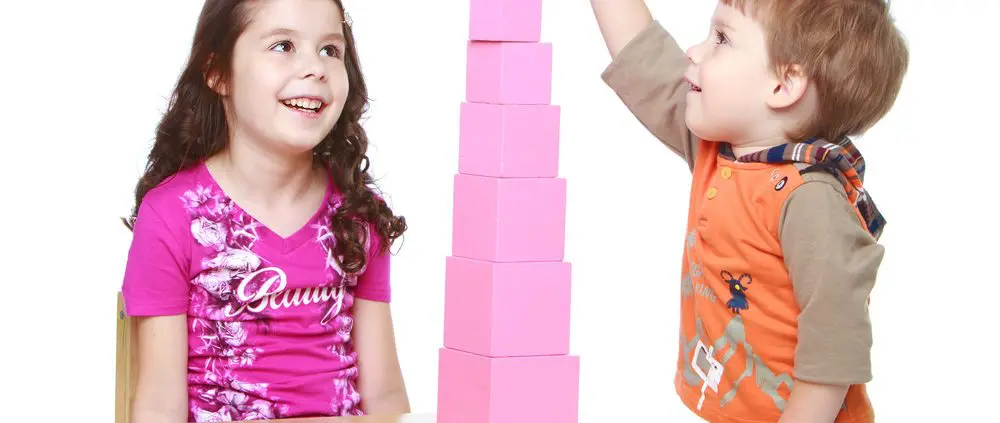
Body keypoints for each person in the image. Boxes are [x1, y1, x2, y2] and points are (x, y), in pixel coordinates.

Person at [590, 0, 907, 421]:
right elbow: (643, 59)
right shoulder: (720, 153)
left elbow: (834, 351)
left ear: (784, 83)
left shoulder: (810, 200)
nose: (694, 51)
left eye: (721, 38)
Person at [120, 0, 410, 421]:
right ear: (218, 72)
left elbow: (385, 398)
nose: (315, 68)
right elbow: (159, 407)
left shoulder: (359, 215)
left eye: (330, 49)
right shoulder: (174, 216)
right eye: (283, 45)